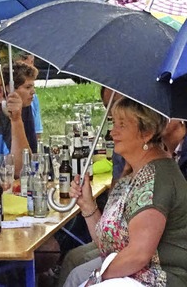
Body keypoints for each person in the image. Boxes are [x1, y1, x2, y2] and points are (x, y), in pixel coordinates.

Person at [64, 97, 187, 287]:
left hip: (161, 279)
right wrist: (87, 205)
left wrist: (98, 277)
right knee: (75, 277)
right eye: (114, 123)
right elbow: (109, 244)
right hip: (136, 274)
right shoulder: (133, 173)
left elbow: (138, 255)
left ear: (146, 133)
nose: (113, 132)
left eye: (122, 125)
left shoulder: (156, 178)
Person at [1, 62, 39, 152]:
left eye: (33, 87)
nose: (33, 92)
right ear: (9, 88)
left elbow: (32, 146)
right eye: (27, 87)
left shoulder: (26, 107)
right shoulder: (1, 113)